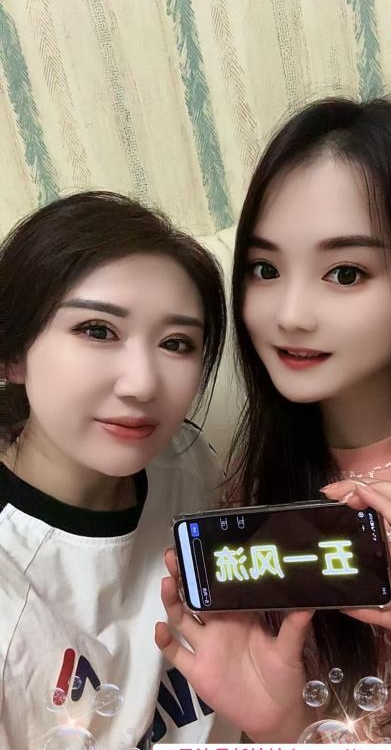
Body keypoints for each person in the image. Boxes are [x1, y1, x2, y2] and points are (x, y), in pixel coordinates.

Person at [155, 97, 391, 744]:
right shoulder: (256, 480)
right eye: (265, 269)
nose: (289, 314)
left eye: (345, 273)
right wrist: (279, 727)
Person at [0, 191, 238, 749]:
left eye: (176, 343)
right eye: (98, 330)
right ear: (12, 354)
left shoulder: (185, 458)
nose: (143, 384)